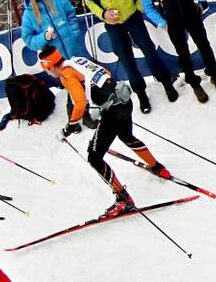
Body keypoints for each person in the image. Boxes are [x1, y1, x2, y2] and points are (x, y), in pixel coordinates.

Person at [43, 49, 169, 219]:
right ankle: (157, 168)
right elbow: (106, 72)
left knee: (94, 157)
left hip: (113, 112)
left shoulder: (66, 74)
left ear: (50, 67)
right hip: (123, 100)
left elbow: (80, 104)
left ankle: (123, 199)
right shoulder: (77, 60)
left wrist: (69, 127)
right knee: (126, 136)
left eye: (46, 70)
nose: (47, 73)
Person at [81, 0, 176, 111]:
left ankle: (166, 83)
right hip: (112, 24)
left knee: (149, 50)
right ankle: (141, 94)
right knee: (126, 60)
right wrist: (103, 14)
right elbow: (89, 0)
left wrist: (140, 5)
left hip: (132, 15)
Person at [17, 0, 89, 62]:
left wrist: (74, 33)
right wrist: (44, 37)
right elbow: (28, 39)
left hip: (75, 51)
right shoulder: (28, 15)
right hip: (55, 59)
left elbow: (70, 13)